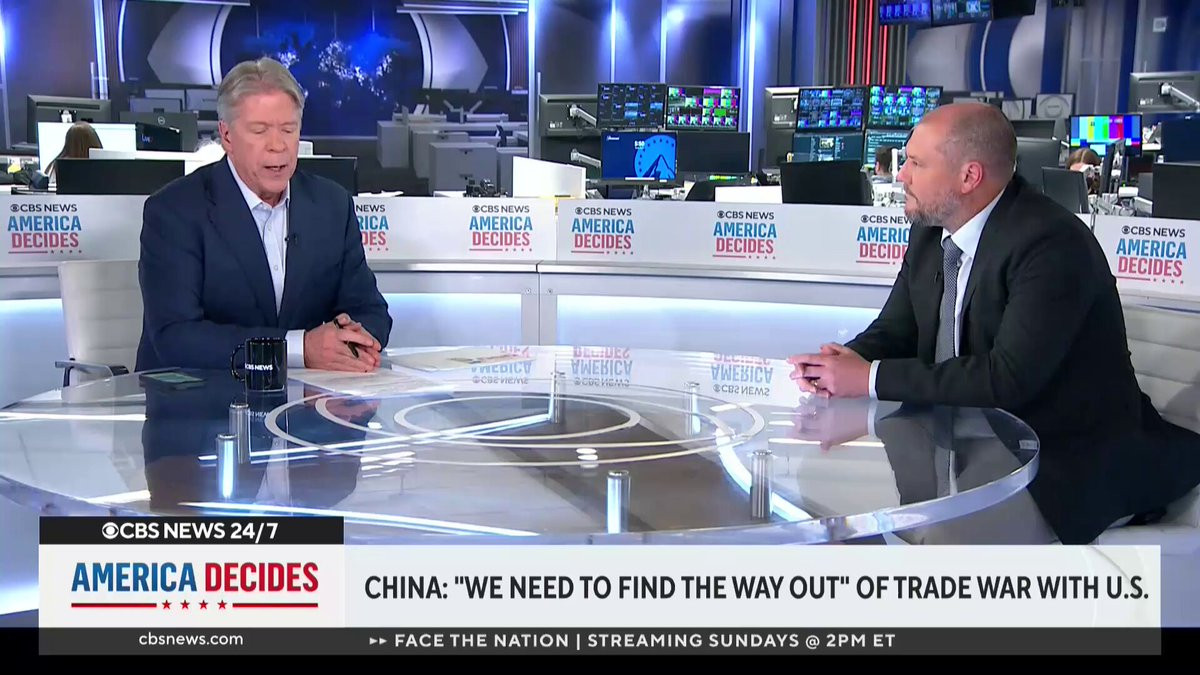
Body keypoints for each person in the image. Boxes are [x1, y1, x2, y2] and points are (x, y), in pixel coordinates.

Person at [787, 102, 1200, 545]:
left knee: (943, 543)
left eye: (916, 164)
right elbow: (897, 330)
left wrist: (869, 378)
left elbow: (1007, 379)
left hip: (1064, 457)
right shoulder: (931, 230)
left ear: (969, 177)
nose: (901, 175)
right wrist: (843, 360)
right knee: (825, 496)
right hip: (964, 440)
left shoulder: (1051, 244)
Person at [136, 57, 391, 373]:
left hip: (310, 399)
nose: (277, 146)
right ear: (227, 136)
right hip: (201, 396)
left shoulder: (332, 205)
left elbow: (370, 311)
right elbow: (176, 338)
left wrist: (353, 342)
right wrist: (298, 349)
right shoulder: (175, 211)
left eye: (288, 129)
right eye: (260, 131)